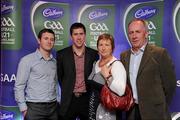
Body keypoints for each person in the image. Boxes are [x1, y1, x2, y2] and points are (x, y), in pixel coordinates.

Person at [120, 18, 176, 120]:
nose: (134, 36)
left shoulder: (160, 53)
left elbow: (170, 85)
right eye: (131, 32)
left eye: (138, 32)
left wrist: (158, 104)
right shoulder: (124, 56)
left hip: (155, 113)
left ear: (146, 34)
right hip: (132, 112)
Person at [56, 22, 99, 120]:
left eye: (81, 34)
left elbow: (95, 77)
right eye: (75, 34)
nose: (79, 37)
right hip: (69, 100)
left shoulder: (94, 54)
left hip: (87, 100)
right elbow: (60, 77)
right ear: (71, 36)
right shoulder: (62, 54)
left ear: (85, 35)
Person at [14, 28, 58, 120]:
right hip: (34, 109)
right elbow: (19, 86)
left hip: (53, 108)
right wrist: (23, 109)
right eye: (46, 38)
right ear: (39, 40)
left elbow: (56, 84)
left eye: (52, 39)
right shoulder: (27, 60)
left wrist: (58, 100)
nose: (49, 41)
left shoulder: (55, 62)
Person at [88, 33, 127, 120]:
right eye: (101, 44)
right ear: (97, 47)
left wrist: (107, 76)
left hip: (108, 114)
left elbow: (121, 91)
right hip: (93, 110)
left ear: (112, 48)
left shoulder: (116, 65)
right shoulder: (96, 63)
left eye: (107, 45)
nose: (103, 48)